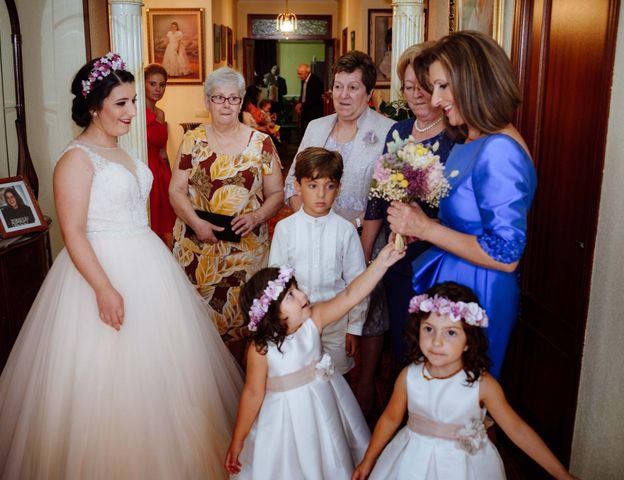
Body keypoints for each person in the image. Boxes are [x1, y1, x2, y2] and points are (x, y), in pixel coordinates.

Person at [0, 53, 243, 479]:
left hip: (147, 263)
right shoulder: (76, 159)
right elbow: (73, 232)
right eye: (120, 103)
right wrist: (104, 288)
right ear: (93, 108)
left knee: (164, 374)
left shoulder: (122, 152)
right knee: (104, 382)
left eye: (133, 101)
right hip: (99, 270)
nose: (131, 112)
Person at [387, 31, 537, 378]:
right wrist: (420, 222)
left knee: (464, 399)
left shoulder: (499, 149)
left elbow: (507, 254)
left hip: (479, 293)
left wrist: (426, 228)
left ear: (472, 81)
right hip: (456, 284)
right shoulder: (471, 139)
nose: (436, 100)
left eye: (442, 86)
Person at [352, 282, 578, 480]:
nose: (437, 342)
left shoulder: (483, 385)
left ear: (469, 341)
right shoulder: (409, 377)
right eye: (429, 329)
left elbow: (517, 429)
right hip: (412, 462)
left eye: (451, 333)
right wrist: (368, 460)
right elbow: (390, 419)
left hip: (464, 468)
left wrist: (560, 473)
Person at [224, 241, 406, 479]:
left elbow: (350, 295)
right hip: (285, 419)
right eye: (290, 295)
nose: (302, 295)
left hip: (324, 406)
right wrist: (238, 439)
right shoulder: (260, 350)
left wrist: (383, 262)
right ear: (271, 313)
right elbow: (252, 393)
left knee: (330, 455)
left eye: (297, 288)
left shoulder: (314, 320)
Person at [285, 50, 395, 412]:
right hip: (311, 239)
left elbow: (383, 195)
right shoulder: (317, 127)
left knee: (366, 315)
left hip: (364, 240)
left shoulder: (384, 131)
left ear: (368, 93)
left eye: (353, 87)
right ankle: (311, 389)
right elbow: (292, 183)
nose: (344, 95)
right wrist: (309, 224)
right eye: (338, 86)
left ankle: (362, 391)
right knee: (316, 308)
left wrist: (360, 248)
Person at [169, 67, 284, 364]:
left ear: (242, 100)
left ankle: (239, 390)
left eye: (233, 98)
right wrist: (196, 223)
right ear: (207, 101)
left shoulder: (262, 144)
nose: (225, 105)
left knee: (241, 326)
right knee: (197, 329)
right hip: (197, 251)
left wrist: (257, 217)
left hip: (244, 255)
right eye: (218, 98)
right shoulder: (192, 141)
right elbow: (176, 191)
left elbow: (276, 194)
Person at [362, 42, 457, 377]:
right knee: (402, 339)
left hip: (436, 258)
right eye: (407, 86)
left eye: (422, 86)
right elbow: (377, 195)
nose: (414, 94)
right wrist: (368, 249)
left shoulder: (455, 137)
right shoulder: (399, 131)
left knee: (433, 341)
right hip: (398, 256)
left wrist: (424, 224)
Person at [269, 147, 367, 374]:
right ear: (297, 187)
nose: (321, 195)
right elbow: (276, 279)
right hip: (296, 325)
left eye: (329, 186)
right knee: (299, 376)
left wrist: (355, 327)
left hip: (336, 324)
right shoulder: (285, 229)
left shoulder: (345, 231)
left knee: (335, 377)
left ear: (338, 188)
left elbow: (357, 282)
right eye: (313, 186)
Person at [144, 63, 175, 244]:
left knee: (163, 225)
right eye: (153, 84)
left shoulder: (161, 114)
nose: (158, 89)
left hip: (160, 171)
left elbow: (163, 151)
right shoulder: (136, 113)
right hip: (145, 167)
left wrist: (171, 178)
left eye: (162, 85)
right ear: (144, 84)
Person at [294, 63, 324, 134]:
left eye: (300, 74)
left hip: (314, 112)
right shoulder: (303, 80)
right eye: (298, 74)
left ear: (307, 72)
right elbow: (303, 94)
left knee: (311, 133)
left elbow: (315, 99)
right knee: (304, 131)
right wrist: (299, 103)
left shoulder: (316, 81)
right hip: (305, 111)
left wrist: (301, 105)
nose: (298, 76)